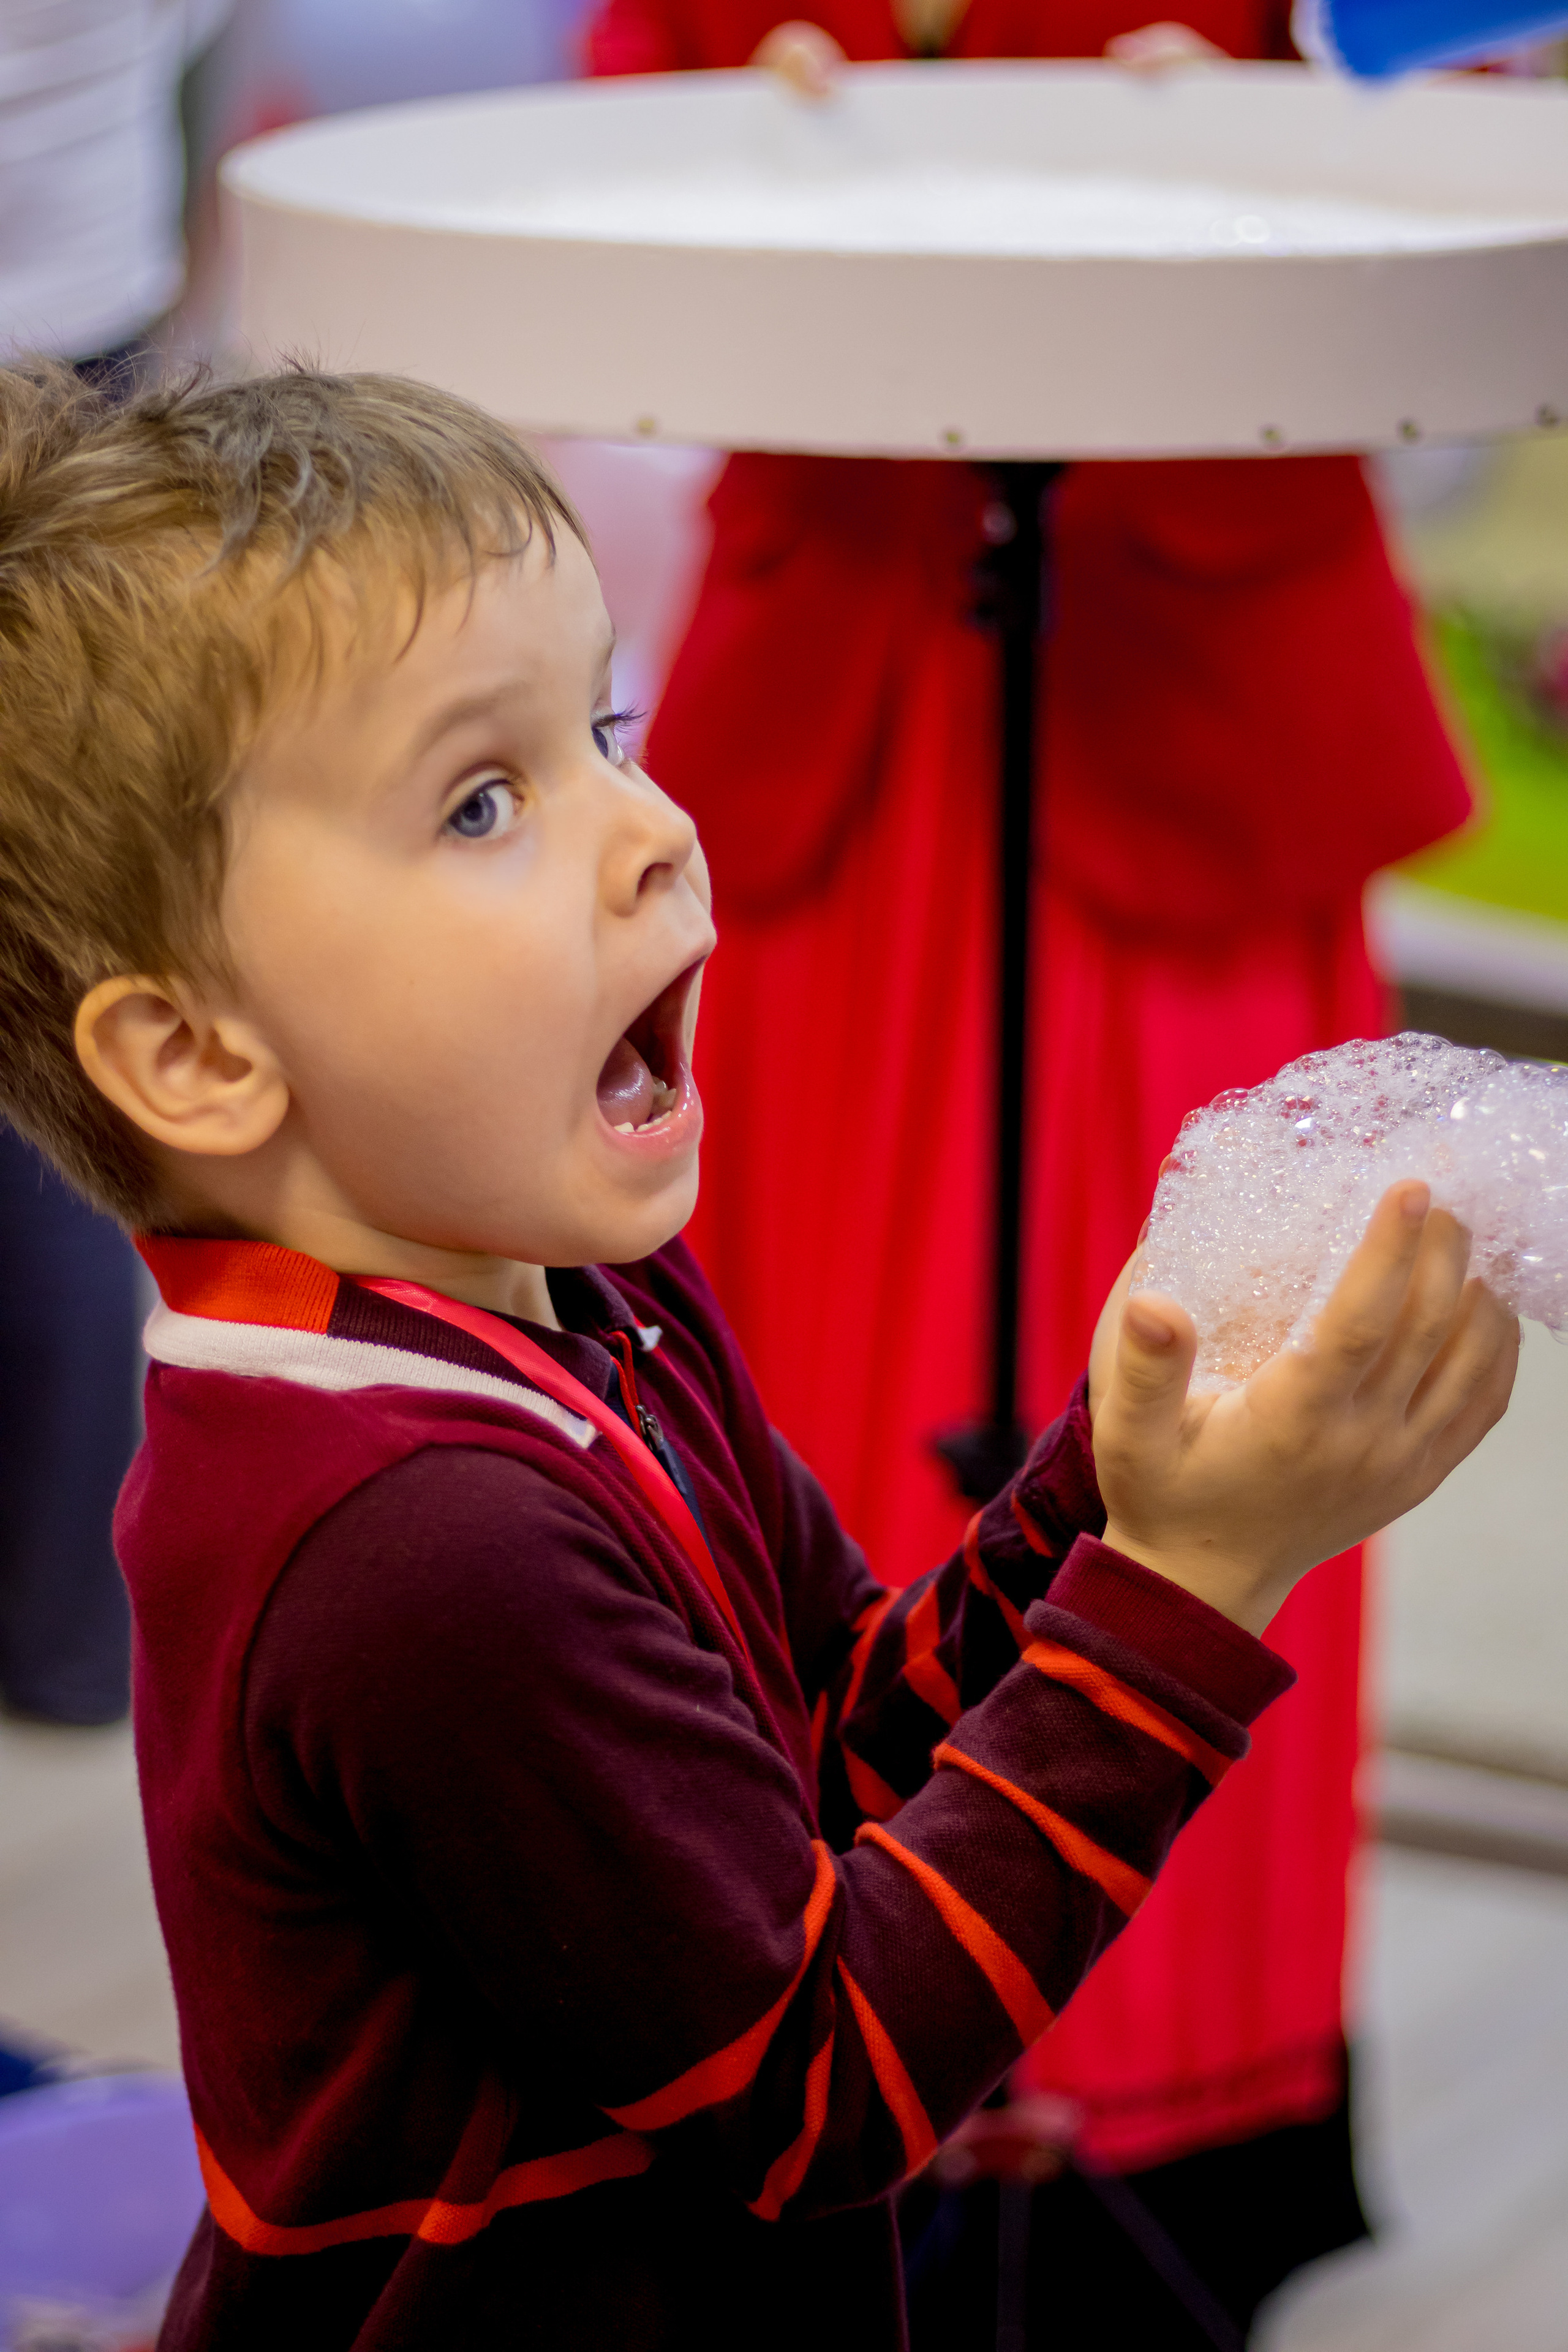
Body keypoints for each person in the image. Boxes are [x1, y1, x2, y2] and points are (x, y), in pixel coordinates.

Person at [0, 361, 1513, 2350]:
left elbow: (815, 1751)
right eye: (482, 798)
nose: (647, 825)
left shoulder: (586, 1302)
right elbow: (820, 2092)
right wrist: (1193, 1586)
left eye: (603, 727)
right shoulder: (416, 1552)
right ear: (197, 1057)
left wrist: (1114, 1483)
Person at [584, 2, 1478, 2325]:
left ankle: (1154, 2118)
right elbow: (593, 135)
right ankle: (820, 2053)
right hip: (837, 696)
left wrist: (1298, 134)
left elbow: (1483, 102)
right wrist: (722, 139)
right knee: (792, 1431)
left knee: (1226, 1391)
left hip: (1200, 676)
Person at [0, 0, 232, 1725]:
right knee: (73, 977)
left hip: (73, 328)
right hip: (97, 328)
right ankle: (77, 1627)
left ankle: (77, 1628)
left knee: (67, 1002)